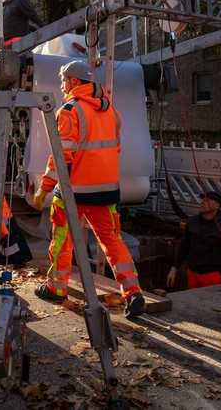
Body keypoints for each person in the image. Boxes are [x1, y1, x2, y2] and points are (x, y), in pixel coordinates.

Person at [32, 60, 145, 319]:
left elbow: (63, 157)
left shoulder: (69, 111)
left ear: (73, 81)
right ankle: (133, 292)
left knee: (62, 240)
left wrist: (44, 188)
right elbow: (115, 149)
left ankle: (57, 288)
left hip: (74, 192)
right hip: (106, 192)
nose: (62, 86)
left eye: (63, 81)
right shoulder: (110, 110)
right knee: (112, 241)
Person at [166, 191, 221, 290]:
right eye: (203, 199)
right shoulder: (192, 222)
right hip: (192, 274)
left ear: (217, 206)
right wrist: (174, 268)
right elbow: (184, 246)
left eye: (208, 200)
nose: (203, 202)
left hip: (213, 276)